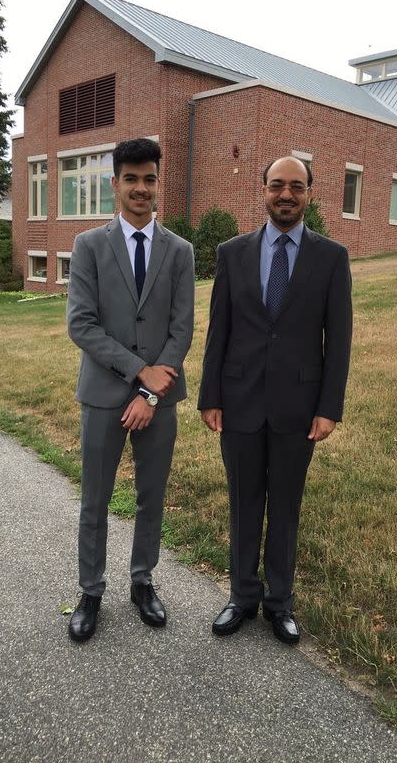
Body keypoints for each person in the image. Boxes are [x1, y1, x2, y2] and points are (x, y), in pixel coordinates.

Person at [198, 156, 352, 644]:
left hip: (298, 407)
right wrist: (210, 395)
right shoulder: (232, 253)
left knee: (285, 505)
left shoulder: (331, 257)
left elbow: (339, 338)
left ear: (309, 193)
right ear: (262, 190)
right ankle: (241, 596)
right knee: (244, 502)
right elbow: (218, 330)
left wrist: (329, 407)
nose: (286, 195)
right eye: (277, 186)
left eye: (297, 187)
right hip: (239, 400)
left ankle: (279, 602)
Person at [66, 137, 194, 642]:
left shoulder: (179, 250)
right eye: (132, 179)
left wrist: (153, 393)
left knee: (151, 497)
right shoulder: (89, 246)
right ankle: (90, 591)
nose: (141, 188)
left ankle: (143, 582)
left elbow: (181, 329)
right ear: (115, 183)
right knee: (95, 500)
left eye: (150, 179)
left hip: (159, 400)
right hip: (102, 394)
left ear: (158, 183)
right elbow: (82, 324)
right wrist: (140, 373)